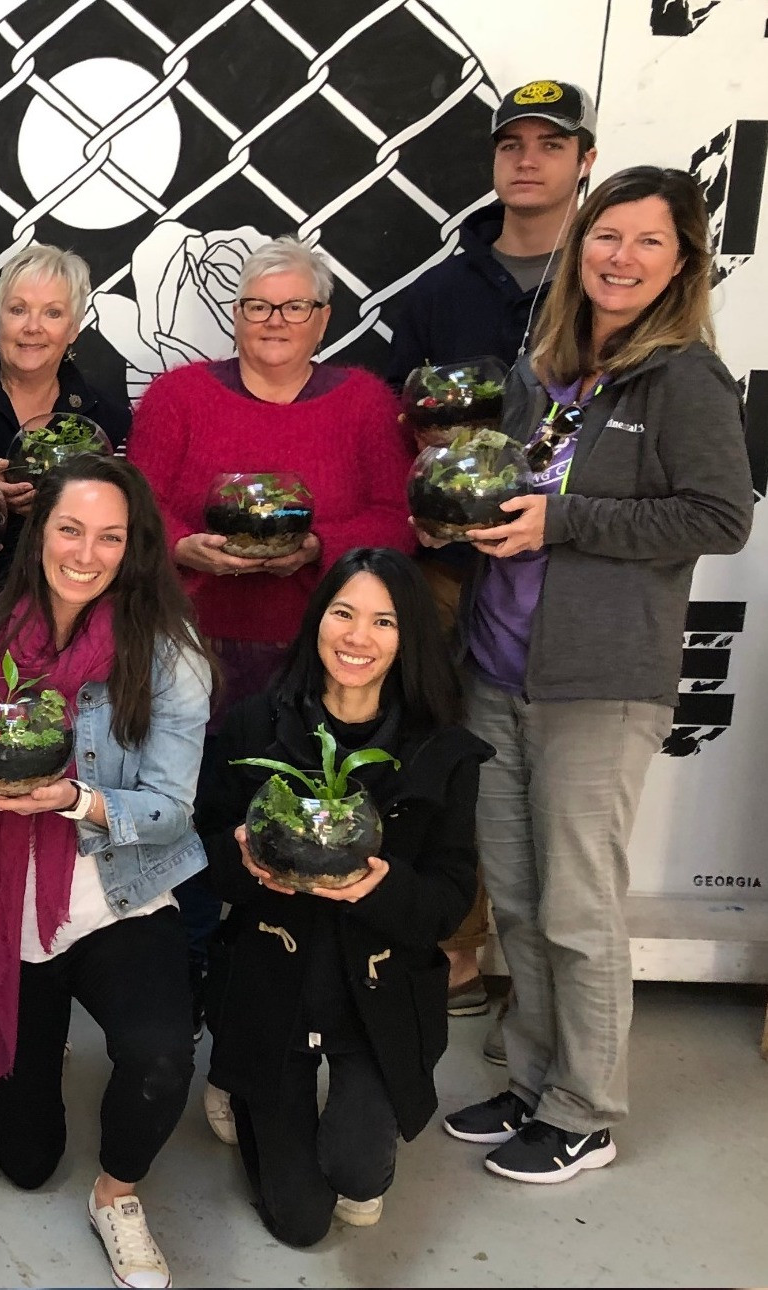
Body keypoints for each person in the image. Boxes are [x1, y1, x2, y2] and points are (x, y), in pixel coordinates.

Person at [438, 167, 751, 1183]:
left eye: (644, 242)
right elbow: (518, 497)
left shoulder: (683, 378)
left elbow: (716, 516)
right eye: (602, 237)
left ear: (681, 263)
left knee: (578, 908)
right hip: (500, 670)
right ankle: (532, 1081)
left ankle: (585, 1108)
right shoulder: (546, 369)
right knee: (520, 906)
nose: (616, 259)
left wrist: (559, 522)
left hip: (595, 684)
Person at [127, 234, 416, 1095]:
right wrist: (192, 549)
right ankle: (172, 1022)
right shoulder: (180, 396)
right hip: (193, 653)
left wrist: (322, 550)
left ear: (323, 317)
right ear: (237, 314)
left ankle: (260, 1035)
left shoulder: (363, 402)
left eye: (294, 306)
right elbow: (136, 508)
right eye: (259, 306)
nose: (275, 321)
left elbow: (397, 519)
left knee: (284, 849)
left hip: (313, 670)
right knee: (188, 842)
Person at [0, 455, 210, 1288]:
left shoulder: (166, 652)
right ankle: (29, 1071)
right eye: (70, 530)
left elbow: (171, 809)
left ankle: (118, 1194)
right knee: (24, 1160)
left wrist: (71, 799)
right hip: (4, 901)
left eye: (110, 536)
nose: (86, 553)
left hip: (117, 893)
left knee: (159, 1058)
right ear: (38, 532)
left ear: (134, 547)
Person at [197, 548, 491, 1246]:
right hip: (276, 982)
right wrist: (246, 865)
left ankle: (358, 1130)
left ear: (409, 635)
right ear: (317, 621)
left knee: (357, 1174)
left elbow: (450, 898)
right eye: (344, 614)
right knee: (299, 1222)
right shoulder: (254, 726)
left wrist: (382, 887)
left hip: (378, 992)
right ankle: (243, 1082)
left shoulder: (441, 749)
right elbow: (203, 851)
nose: (358, 638)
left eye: (383, 621)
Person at [383, 80, 597, 1030]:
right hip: (448, 568)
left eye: (551, 144)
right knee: (447, 752)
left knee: (565, 786)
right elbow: (397, 426)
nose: (528, 159)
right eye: (513, 142)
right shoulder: (439, 291)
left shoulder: (609, 283)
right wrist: (419, 509)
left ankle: (552, 994)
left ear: (584, 160)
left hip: (564, 574)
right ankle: (459, 950)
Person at [0, 242, 131, 580]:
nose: (33, 326)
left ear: (74, 328)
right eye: (18, 310)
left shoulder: (111, 421)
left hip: (78, 600)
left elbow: (121, 529)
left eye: (53, 313)